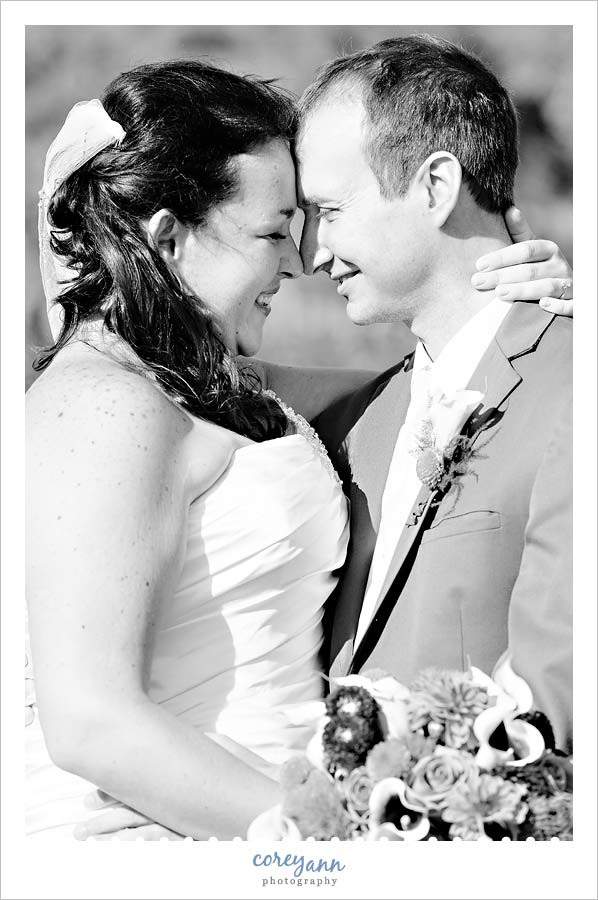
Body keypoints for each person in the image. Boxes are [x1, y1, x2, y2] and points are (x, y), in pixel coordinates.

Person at [27, 54, 572, 842]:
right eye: (276, 228)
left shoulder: (237, 396)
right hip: (192, 836)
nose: (301, 257)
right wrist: (339, 836)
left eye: (318, 216)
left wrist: (521, 307)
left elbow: (437, 381)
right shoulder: (100, 406)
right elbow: (88, 722)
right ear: (169, 239)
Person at [294, 35, 573, 753]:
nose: (315, 253)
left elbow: (561, 692)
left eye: (331, 210)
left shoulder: (574, 383)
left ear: (435, 187)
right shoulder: (349, 424)